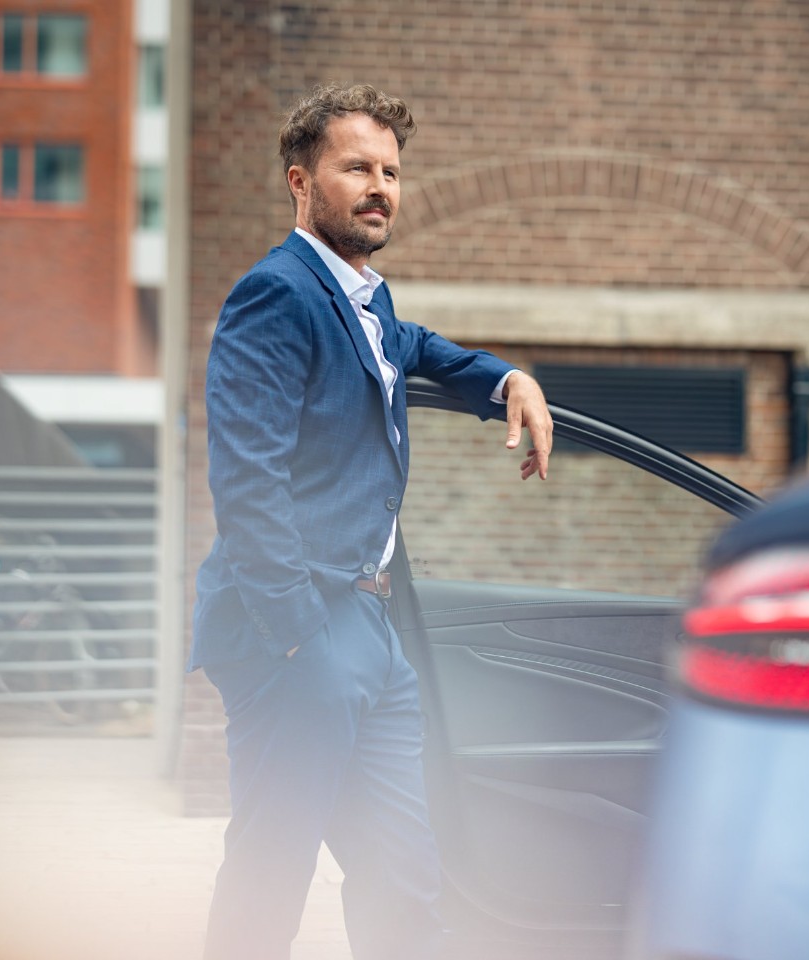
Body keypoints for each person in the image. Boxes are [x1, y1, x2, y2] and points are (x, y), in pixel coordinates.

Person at [189, 83, 553, 960]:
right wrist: (294, 634)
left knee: (402, 873)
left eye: (391, 170)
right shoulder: (275, 295)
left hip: (370, 628)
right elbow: (246, 479)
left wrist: (511, 381)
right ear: (300, 182)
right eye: (356, 167)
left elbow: (423, 351)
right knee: (272, 870)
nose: (380, 184)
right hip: (302, 627)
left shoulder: (365, 300)